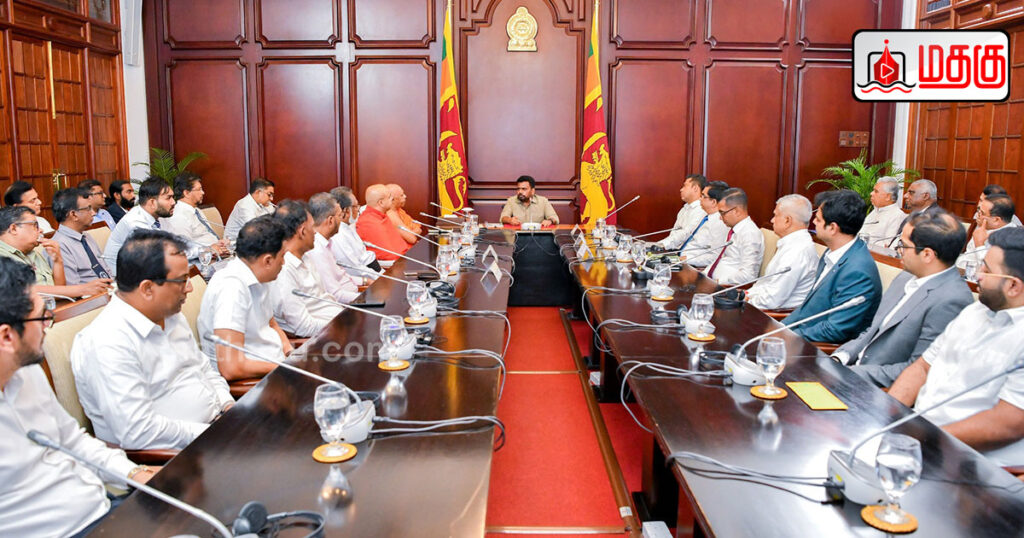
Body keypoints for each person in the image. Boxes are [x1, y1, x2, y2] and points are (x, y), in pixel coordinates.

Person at [0, 257, 156, 537]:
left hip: (103, 508)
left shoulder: (28, 371)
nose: (48, 326)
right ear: (7, 337)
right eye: (42, 317)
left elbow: (74, 441)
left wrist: (133, 473)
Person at [71, 230, 234, 450]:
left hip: (217, 430)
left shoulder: (170, 315)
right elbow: (138, 432)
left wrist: (227, 405)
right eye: (182, 280)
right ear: (147, 288)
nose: (190, 287)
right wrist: (214, 434)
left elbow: (204, 369)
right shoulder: (107, 341)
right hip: (176, 455)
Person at [887, 227, 1024, 466]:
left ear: (1013, 286)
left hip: (969, 461)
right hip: (918, 438)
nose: (977, 275)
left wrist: (925, 438)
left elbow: (1008, 422)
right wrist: (889, 417)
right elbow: (922, 368)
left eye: (986, 270)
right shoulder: (974, 312)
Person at [838, 211, 974, 387]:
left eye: (903, 245)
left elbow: (918, 370)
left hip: (879, 390)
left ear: (927, 254)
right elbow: (872, 330)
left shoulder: (951, 300)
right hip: (852, 370)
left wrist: (850, 373)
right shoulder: (906, 276)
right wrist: (840, 357)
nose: (898, 250)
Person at [782, 190, 882, 343]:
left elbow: (835, 330)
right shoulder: (832, 252)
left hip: (822, 349)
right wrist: (779, 328)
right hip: (803, 336)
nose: (814, 222)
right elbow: (805, 309)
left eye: (818, 219)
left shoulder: (858, 272)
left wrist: (786, 336)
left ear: (833, 228)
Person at [199, 215, 291, 381]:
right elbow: (231, 368)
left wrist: (289, 352)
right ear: (267, 260)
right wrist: (286, 368)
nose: (284, 263)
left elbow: (272, 325)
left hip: (276, 364)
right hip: (253, 381)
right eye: (282, 256)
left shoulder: (258, 275)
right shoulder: (231, 288)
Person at [0, 206, 110, 299]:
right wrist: (82, 289)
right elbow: (22, 290)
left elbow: (59, 293)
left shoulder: (34, 253)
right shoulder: (2, 257)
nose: (41, 230)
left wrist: (58, 261)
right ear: (14, 229)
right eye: (35, 225)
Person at [271, 200, 343, 337]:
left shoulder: (306, 257)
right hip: (323, 339)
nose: (315, 232)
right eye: (312, 227)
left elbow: (322, 300)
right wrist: (341, 324)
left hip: (337, 325)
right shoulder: (284, 270)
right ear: (302, 231)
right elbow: (304, 328)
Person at [745, 194, 818, 310]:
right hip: (760, 306)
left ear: (787, 220)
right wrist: (746, 295)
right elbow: (766, 284)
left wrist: (744, 301)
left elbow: (771, 301)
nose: (772, 220)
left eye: (775, 215)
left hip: (774, 316)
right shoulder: (792, 244)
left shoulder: (796, 252)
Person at [102, 177, 176, 274]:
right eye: (168, 198)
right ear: (152, 202)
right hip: (122, 277)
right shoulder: (135, 222)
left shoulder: (158, 216)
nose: (173, 202)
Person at [52, 188, 113, 285]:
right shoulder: (59, 245)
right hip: (91, 293)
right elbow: (72, 287)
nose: (93, 213)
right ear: (74, 214)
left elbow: (105, 269)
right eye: (88, 208)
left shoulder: (85, 236)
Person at [703, 188, 764, 286]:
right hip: (713, 283)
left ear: (736, 211)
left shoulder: (749, 233)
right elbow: (720, 260)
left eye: (722, 213)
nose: (720, 217)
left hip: (726, 288)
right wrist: (703, 275)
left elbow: (748, 275)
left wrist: (718, 282)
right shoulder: (734, 230)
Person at [308, 192, 362, 302]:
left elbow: (341, 277)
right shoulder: (317, 250)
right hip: (347, 305)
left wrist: (365, 281)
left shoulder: (326, 243)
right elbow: (335, 295)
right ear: (331, 221)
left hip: (355, 294)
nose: (342, 220)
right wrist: (366, 300)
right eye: (339, 215)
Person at [160, 173, 230, 257]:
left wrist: (218, 243)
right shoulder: (179, 216)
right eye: (199, 189)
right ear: (186, 193)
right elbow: (183, 250)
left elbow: (203, 237)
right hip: (203, 259)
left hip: (215, 253)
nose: (203, 192)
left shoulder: (196, 210)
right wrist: (209, 249)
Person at [329, 186, 381, 276]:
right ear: (346, 211)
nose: (358, 210)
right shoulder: (338, 235)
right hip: (366, 279)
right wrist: (380, 277)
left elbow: (365, 257)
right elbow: (355, 269)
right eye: (355, 206)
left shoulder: (349, 227)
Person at [958, 194, 1016, 269]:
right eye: (978, 210)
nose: (977, 215)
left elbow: (990, 270)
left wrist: (979, 244)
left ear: (996, 220)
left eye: (982, 213)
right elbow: (968, 257)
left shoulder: (1013, 239)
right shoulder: (984, 228)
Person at [679, 180, 730, 267]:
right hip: (683, 260)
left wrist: (686, 259)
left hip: (694, 266)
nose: (700, 199)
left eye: (703, 196)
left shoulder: (720, 223)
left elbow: (715, 257)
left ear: (713, 202)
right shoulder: (705, 216)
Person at [356, 184, 411, 262]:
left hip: (404, 257)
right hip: (394, 264)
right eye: (389, 197)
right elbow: (388, 255)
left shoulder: (382, 215)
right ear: (381, 202)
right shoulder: (367, 222)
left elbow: (400, 246)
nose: (392, 199)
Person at [657, 174, 708, 250]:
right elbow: (675, 233)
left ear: (695, 188)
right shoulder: (684, 209)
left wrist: (661, 245)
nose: (681, 189)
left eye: (684, 186)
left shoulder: (701, 210)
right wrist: (660, 245)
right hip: (673, 250)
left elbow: (686, 233)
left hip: (688, 253)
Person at [859, 177, 906, 255]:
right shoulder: (876, 210)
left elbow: (887, 246)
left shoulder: (898, 216)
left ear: (888, 197)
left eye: (876, 191)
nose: (871, 193)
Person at [224, 178, 276, 243]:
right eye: (269, 195)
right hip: (235, 244)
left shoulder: (266, 204)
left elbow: (276, 221)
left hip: (256, 241)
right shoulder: (244, 206)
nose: (271, 198)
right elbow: (255, 230)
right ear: (258, 192)